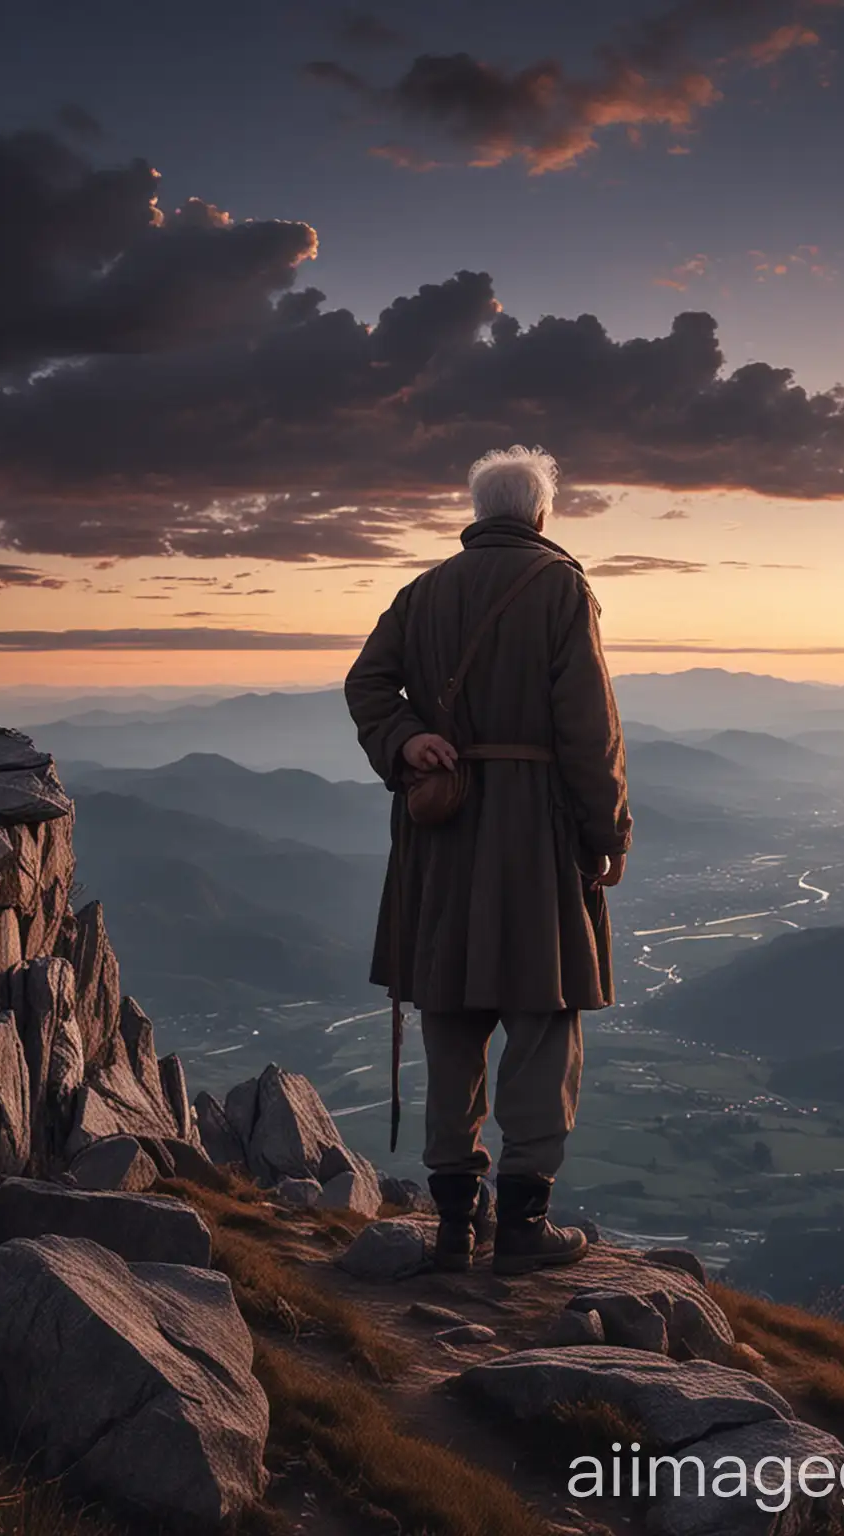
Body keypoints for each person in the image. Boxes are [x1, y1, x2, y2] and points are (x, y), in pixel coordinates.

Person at [345, 446, 632, 1275]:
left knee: (451, 1021)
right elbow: (590, 729)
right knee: (544, 1022)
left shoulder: (423, 591)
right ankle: (522, 1228)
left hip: (442, 841)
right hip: (536, 838)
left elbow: (367, 686)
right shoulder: (560, 587)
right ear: (541, 515)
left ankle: (452, 1227)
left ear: (477, 512)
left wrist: (407, 742)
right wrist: (607, 832)